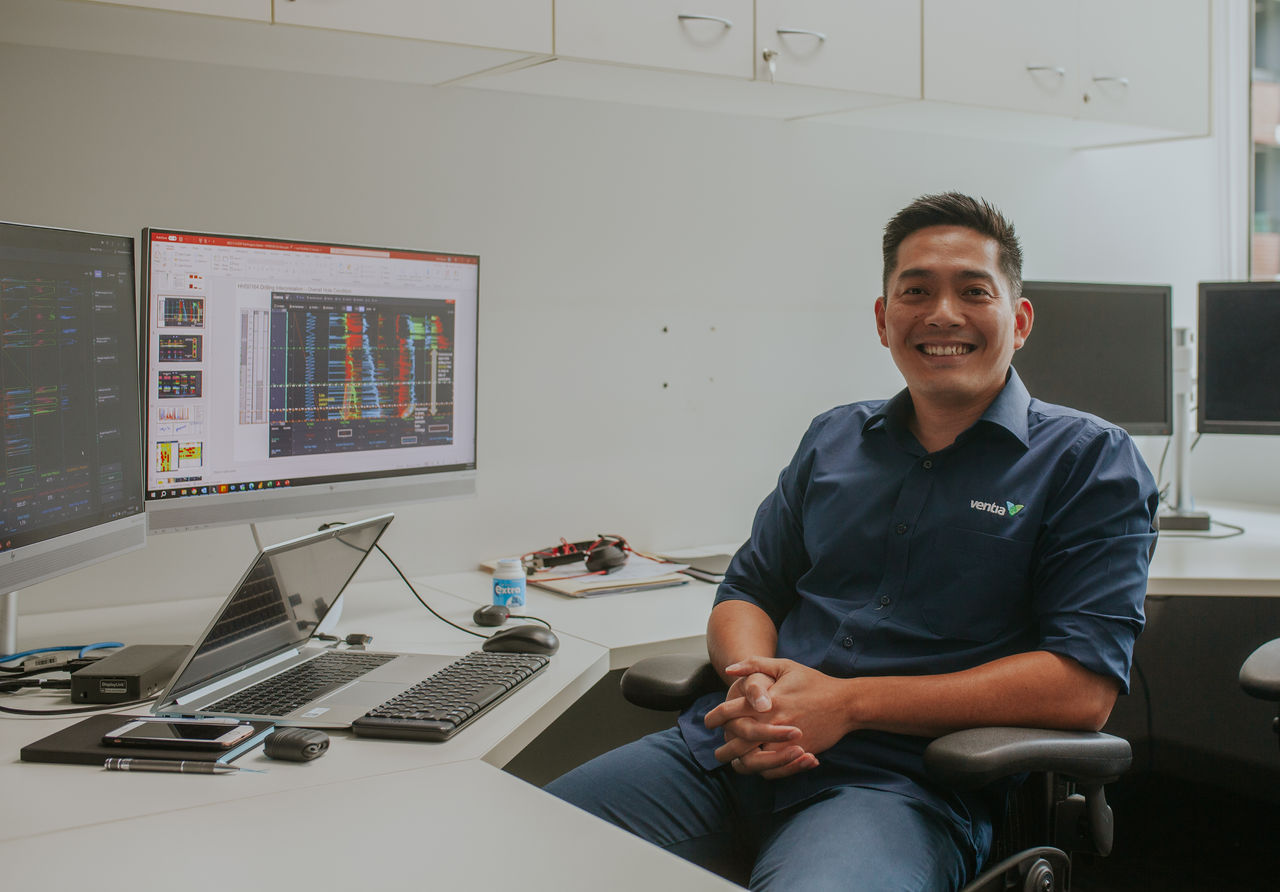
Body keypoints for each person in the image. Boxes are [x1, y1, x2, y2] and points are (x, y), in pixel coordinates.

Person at [546, 192, 1159, 891]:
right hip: (724, 753)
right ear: (882, 319)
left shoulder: (1089, 460)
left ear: (1018, 321)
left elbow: (1081, 687)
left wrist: (848, 703)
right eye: (916, 291)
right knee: (505, 846)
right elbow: (748, 591)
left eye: (973, 291)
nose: (942, 314)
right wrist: (756, 689)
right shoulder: (834, 438)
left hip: (900, 788)